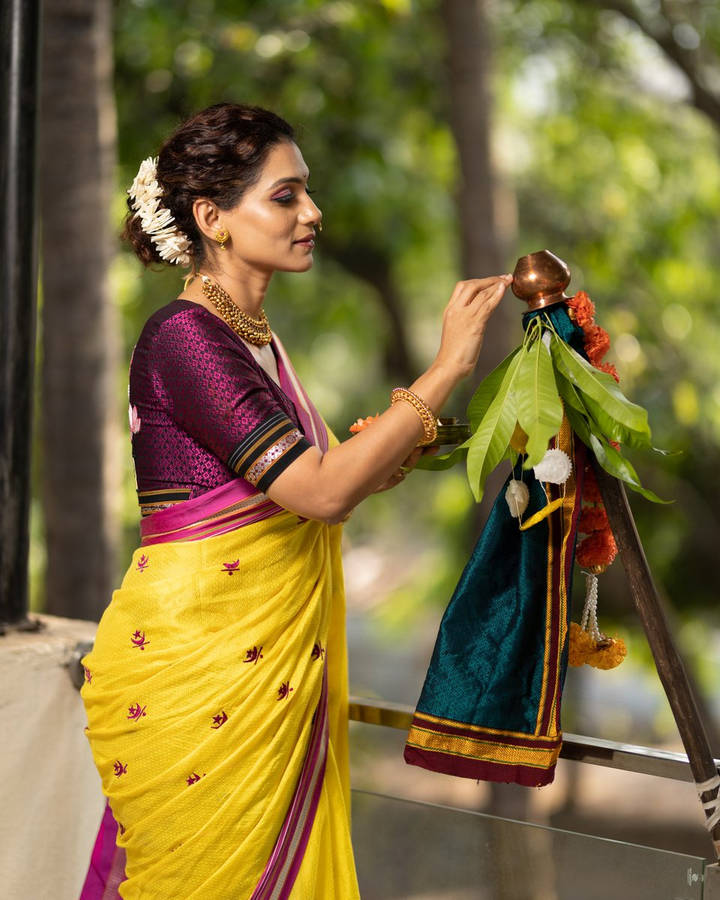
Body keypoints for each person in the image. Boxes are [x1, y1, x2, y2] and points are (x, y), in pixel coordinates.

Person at [79, 101, 511, 899]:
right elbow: (318, 492)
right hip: (200, 676)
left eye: (306, 192)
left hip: (264, 680)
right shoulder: (184, 338)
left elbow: (304, 486)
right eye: (285, 196)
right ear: (213, 217)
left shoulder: (254, 337)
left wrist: (395, 448)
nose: (312, 212)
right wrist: (445, 369)